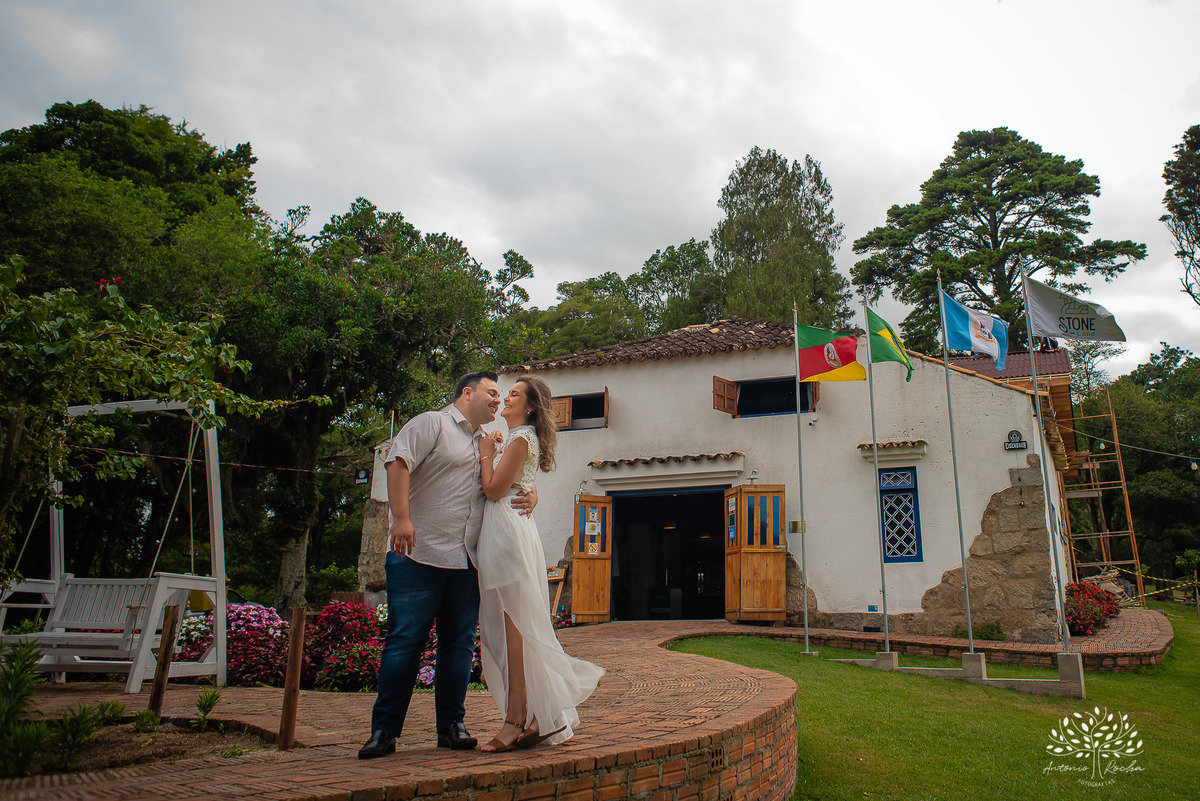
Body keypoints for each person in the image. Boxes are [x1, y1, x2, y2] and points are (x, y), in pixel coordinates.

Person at [359, 371, 536, 758]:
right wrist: (401, 518)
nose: (497, 399)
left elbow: (508, 481)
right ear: (467, 393)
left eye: (501, 395)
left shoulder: (489, 441)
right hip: (418, 555)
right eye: (492, 393)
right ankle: (384, 731)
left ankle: (451, 726)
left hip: (466, 561)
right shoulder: (431, 423)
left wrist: (532, 493)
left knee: (457, 648)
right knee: (405, 643)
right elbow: (398, 463)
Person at [475, 375, 604, 753]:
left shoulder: (520, 438)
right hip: (505, 531)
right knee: (512, 629)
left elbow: (494, 489)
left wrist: (486, 451)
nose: (506, 398)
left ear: (531, 406)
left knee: (516, 632)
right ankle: (533, 717)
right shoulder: (514, 440)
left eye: (514, 394)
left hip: (507, 535)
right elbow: (517, 484)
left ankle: (516, 720)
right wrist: (495, 449)